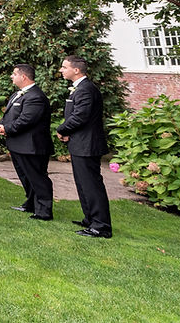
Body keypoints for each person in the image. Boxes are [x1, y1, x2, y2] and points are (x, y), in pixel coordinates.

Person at [57, 56, 112, 237]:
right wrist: (68, 133)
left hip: (88, 145)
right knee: (82, 184)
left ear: (76, 70)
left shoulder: (86, 90)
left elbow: (81, 116)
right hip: (79, 142)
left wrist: (62, 129)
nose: (61, 70)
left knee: (91, 185)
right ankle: (90, 218)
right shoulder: (79, 88)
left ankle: (101, 226)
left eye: (64, 67)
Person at [0, 63, 54, 221]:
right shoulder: (18, 94)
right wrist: (3, 125)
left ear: (23, 77)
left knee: (37, 177)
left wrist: (7, 129)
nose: (11, 76)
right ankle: (31, 203)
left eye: (14, 74)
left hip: (32, 146)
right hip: (18, 144)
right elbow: (11, 115)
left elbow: (26, 120)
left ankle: (44, 211)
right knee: (25, 177)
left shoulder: (36, 96)